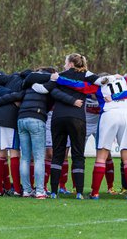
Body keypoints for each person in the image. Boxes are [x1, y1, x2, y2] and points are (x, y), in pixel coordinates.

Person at [17, 68, 82, 199]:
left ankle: (26, 190)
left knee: (25, 157)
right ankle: (40, 191)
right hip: (36, 118)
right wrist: (73, 101)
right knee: (39, 157)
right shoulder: (49, 85)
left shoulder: (29, 84)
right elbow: (57, 94)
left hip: (21, 118)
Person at [49, 53, 99, 199]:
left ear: (71, 63)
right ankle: (79, 192)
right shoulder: (87, 76)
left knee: (58, 154)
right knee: (78, 154)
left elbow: (52, 91)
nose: (64, 65)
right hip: (77, 118)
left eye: (65, 62)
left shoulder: (59, 76)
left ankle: (53, 191)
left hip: (58, 117)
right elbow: (100, 83)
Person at [0, 70, 31, 196]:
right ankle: (17, 190)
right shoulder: (25, 83)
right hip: (9, 119)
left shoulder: (10, 78)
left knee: (0, 154)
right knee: (14, 153)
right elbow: (19, 97)